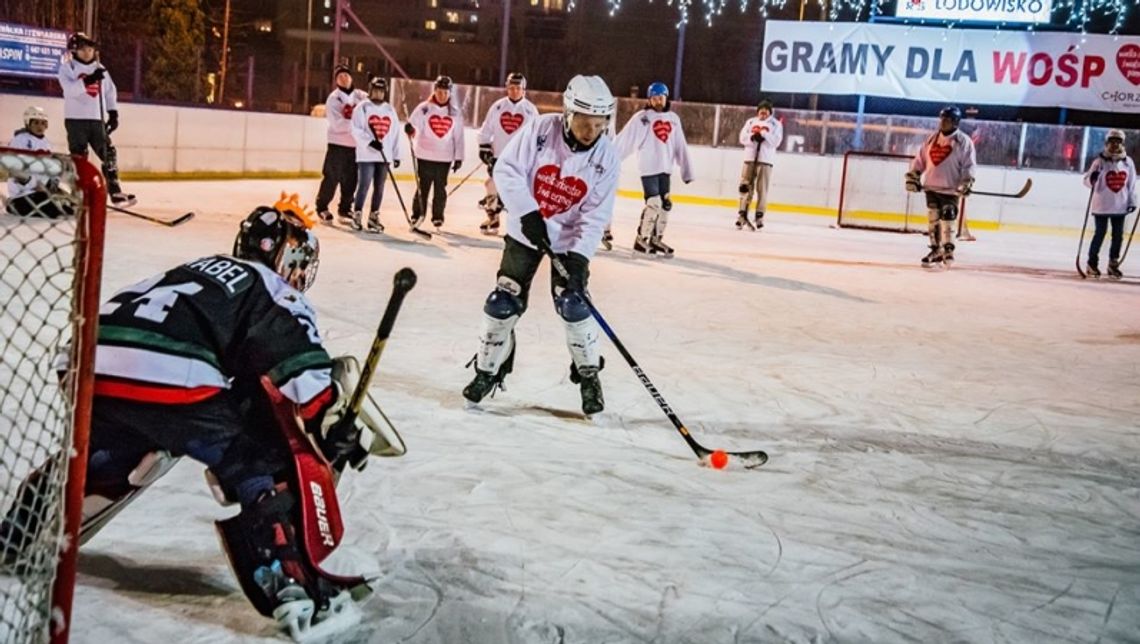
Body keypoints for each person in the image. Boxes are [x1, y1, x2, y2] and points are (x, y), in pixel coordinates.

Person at [0, 195, 396, 639]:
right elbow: (292, 354)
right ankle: (292, 587)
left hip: (88, 360)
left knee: (107, 453)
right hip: (168, 370)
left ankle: (15, 531)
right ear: (287, 257)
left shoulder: (197, 267)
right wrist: (327, 414)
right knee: (253, 461)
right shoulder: (274, 288)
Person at [462, 75, 619, 417]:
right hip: (525, 232)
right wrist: (527, 213)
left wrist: (578, 258)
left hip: (567, 242)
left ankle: (589, 376)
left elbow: (595, 215)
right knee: (503, 301)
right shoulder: (540, 129)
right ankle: (487, 371)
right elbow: (507, 170)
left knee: (574, 304)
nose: (590, 131)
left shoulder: (607, 156)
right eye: (583, 121)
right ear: (567, 113)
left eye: (598, 124)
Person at [613, 81, 694, 256]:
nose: (658, 101)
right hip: (649, 168)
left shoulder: (673, 119)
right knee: (653, 203)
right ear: (650, 99)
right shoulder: (642, 118)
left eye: (661, 97)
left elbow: (681, 145)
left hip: (666, 168)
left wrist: (687, 171)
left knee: (665, 204)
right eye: (655, 98)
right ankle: (641, 239)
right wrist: (610, 159)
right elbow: (625, 140)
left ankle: (656, 238)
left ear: (666, 98)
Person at [56, 32, 135, 207]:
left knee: (108, 153)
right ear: (74, 51)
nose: (87, 53)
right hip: (75, 119)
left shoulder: (101, 68)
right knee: (79, 157)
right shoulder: (67, 68)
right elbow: (69, 91)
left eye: (90, 49)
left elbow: (109, 91)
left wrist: (113, 113)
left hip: (96, 119)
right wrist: (89, 80)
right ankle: (78, 192)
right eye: (83, 49)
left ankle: (115, 191)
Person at [906, 106, 976, 267]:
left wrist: (967, 182)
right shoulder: (931, 139)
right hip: (931, 187)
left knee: (948, 216)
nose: (942, 122)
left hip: (950, 189)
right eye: (941, 119)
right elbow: (920, 160)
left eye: (947, 119)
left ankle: (948, 250)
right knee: (933, 219)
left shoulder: (963, 142)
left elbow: (969, 165)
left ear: (955, 122)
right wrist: (913, 176)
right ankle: (936, 249)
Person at [476, 72, 539, 235]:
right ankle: (493, 218)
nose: (514, 91)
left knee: (515, 191)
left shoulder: (531, 111)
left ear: (523, 90)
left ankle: (517, 225)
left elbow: (537, 137)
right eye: (511, 87)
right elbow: (487, 128)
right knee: (491, 185)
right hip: (498, 156)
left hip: (520, 160)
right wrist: (484, 146)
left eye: (518, 88)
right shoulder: (498, 106)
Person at [405, 75, 465, 229]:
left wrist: (458, 158)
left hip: (444, 158)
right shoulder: (424, 108)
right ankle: (417, 214)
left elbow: (458, 137)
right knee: (423, 186)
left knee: (440, 188)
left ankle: (438, 216)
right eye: (439, 91)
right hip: (424, 155)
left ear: (450, 93)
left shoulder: (455, 113)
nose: (442, 94)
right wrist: (410, 128)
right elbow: (413, 124)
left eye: (445, 92)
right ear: (435, 90)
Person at [315, 65, 367, 226]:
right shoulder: (333, 98)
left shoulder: (362, 96)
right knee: (331, 177)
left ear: (351, 78)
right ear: (336, 80)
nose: (343, 78)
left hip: (355, 147)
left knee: (351, 179)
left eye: (346, 75)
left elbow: (370, 115)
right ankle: (322, 207)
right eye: (340, 76)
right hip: (337, 145)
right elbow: (337, 124)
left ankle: (345, 209)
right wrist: (358, 126)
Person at [349, 76, 402, 233]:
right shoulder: (362, 107)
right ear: (370, 90)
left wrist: (396, 154)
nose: (378, 94)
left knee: (379, 187)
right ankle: (357, 214)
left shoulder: (390, 109)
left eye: (381, 91)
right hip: (366, 155)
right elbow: (355, 129)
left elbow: (395, 133)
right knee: (364, 184)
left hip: (384, 155)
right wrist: (369, 142)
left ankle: (373, 216)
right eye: (375, 90)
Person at [1083, 129, 1137, 279]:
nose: (1114, 145)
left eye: (1118, 142)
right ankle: (1092, 263)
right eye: (1112, 141)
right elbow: (1087, 181)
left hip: (1120, 206)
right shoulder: (1099, 162)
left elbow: (1131, 184)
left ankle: (1113, 264)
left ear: (1122, 143)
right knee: (1100, 233)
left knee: (1118, 236)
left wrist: (1132, 201)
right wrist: (1092, 178)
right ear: (1107, 143)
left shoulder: (1128, 162)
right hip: (1102, 205)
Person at [4, 106, 73, 219]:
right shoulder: (20, 140)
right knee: (55, 210)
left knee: (71, 207)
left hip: (41, 192)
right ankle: (12, 205)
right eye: (36, 123)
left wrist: (53, 181)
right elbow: (17, 170)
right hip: (23, 194)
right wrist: (37, 184)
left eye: (42, 123)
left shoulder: (46, 143)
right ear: (28, 123)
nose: (40, 126)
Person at [736, 100, 783, 231]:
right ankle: (742, 215)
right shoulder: (750, 122)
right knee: (745, 187)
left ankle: (759, 217)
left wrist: (764, 135)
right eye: (761, 110)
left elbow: (775, 141)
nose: (763, 112)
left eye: (766, 110)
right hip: (749, 158)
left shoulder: (776, 124)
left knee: (762, 189)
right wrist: (752, 137)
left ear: (770, 112)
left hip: (765, 160)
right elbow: (742, 137)